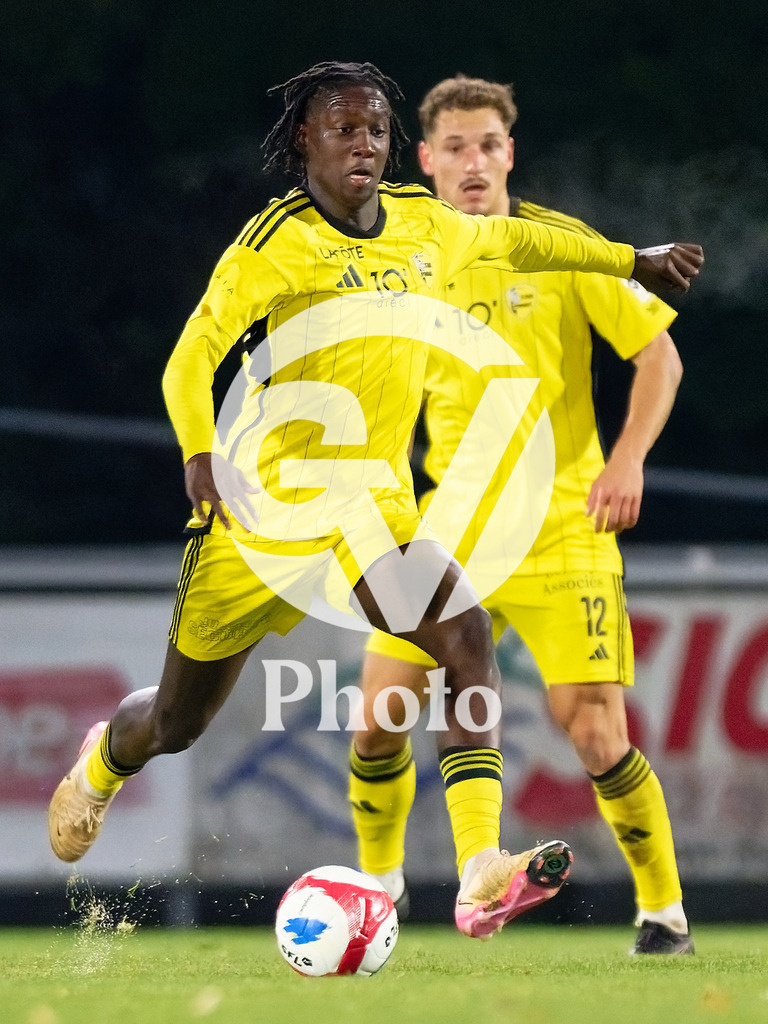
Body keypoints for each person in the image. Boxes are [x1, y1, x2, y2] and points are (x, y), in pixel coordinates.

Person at [48, 61, 702, 941]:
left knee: (460, 634)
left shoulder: (428, 228)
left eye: (375, 130)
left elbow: (536, 244)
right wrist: (200, 452)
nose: (363, 143)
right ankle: (104, 762)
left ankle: (478, 870)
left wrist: (635, 259)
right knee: (175, 721)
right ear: (304, 143)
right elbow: (191, 356)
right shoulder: (272, 241)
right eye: (343, 129)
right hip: (262, 510)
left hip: (374, 510)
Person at [347, 74, 694, 954]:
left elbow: (660, 358)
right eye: (455, 147)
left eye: (489, 145)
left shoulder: (562, 246)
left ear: (510, 153)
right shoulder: (397, 262)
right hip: (448, 531)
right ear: (423, 161)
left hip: (563, 528)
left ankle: (664, 915)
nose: (473, 162)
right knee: (379, 717)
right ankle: (380, 893)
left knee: (595, 731)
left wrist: (626, 460)